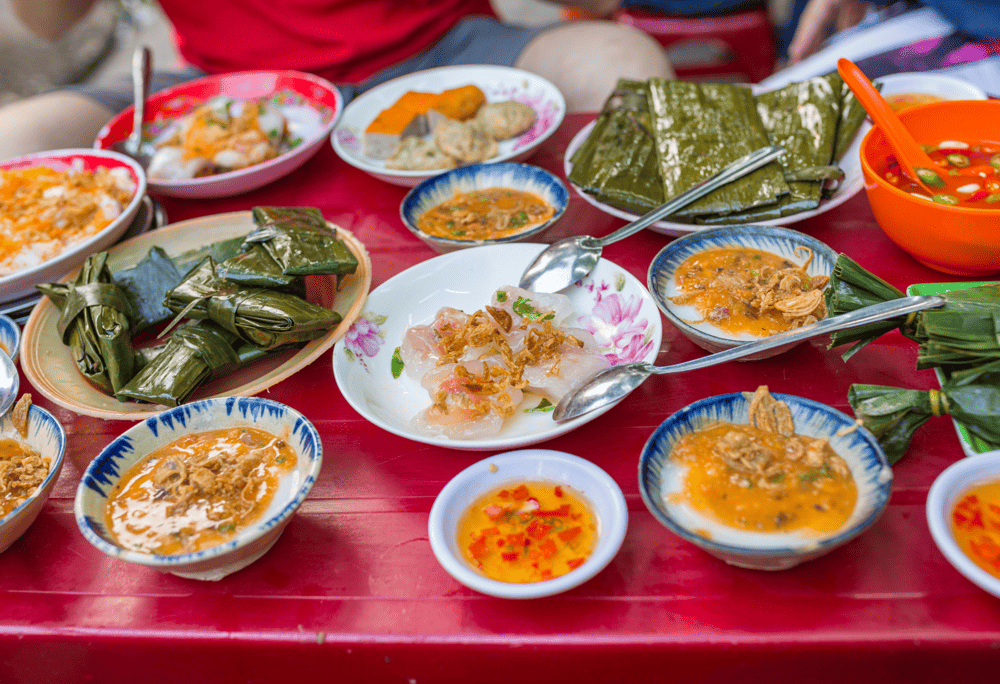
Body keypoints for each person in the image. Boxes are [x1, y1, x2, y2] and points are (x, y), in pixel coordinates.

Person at [0, 0, 674, 161]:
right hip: (231, 86)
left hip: (441, 46)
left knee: (620, 61)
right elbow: (48, 22)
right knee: (16, 139)